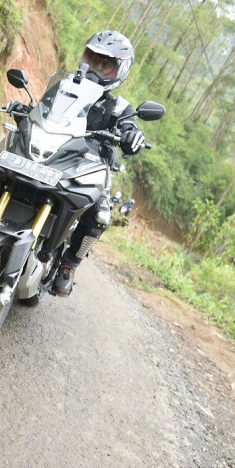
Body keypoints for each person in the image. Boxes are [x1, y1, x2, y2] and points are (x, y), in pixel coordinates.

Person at [52, 30, 146, 297]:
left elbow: (129, 124)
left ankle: (69, 264)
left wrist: (132, 135)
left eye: (105, 64)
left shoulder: (120, 107)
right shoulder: (64, 85)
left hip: (92, 167)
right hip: (57, 153)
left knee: (101, 214)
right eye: (92, 58)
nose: (95, 67)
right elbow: (44, 107)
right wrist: (25, 107)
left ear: (118, 70)